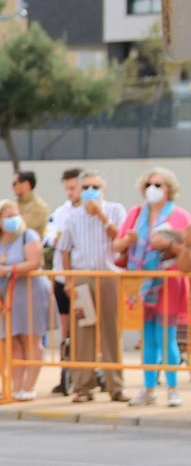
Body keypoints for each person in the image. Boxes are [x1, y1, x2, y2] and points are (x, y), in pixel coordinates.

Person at [115, 167, 189, 407]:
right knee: (148, 338)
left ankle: (172, 389)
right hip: (142, 283)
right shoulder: (136, 213)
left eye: (158, 184)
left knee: (165, 337)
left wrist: (168, 244)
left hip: (169, 280)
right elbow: (117, 244)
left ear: (169, 189)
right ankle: (149, 389)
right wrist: (128, 240)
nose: (152, 189)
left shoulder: (181, 216)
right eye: (149, 184)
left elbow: (187, 249)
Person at [57, 170, 128, 403]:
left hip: (108, 276)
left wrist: (101, 215)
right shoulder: (73, 216)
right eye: (86, 187)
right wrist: (69, 280)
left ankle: (115, 386)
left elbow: (121, 240)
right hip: (83, 278)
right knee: (82, 332)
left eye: (95, 187)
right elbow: (65, 249)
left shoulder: (115, 210)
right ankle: (83, 387)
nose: (90, 191)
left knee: (111, 331)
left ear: (103, 190)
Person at [0, 199, 55, 402]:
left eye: (15, 215)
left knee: (31, 339)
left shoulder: (28, 235)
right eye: (8, 216)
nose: (14, 219)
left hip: (30, 293)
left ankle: (28, 386)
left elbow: (35, 261)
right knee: (13, 341)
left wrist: (8, 270)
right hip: (5, 296)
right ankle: (16, 387)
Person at [44, 168, 84, 394]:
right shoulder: (61, 213)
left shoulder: (92, 211)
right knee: (65, 329)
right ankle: (65, 374)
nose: (70, 192)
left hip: (85, 279)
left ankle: (89, 374)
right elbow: (48, 236)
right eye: (67, 188)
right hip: (62, 278)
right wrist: (56, 238)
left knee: (86, 327)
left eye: (74, 187)